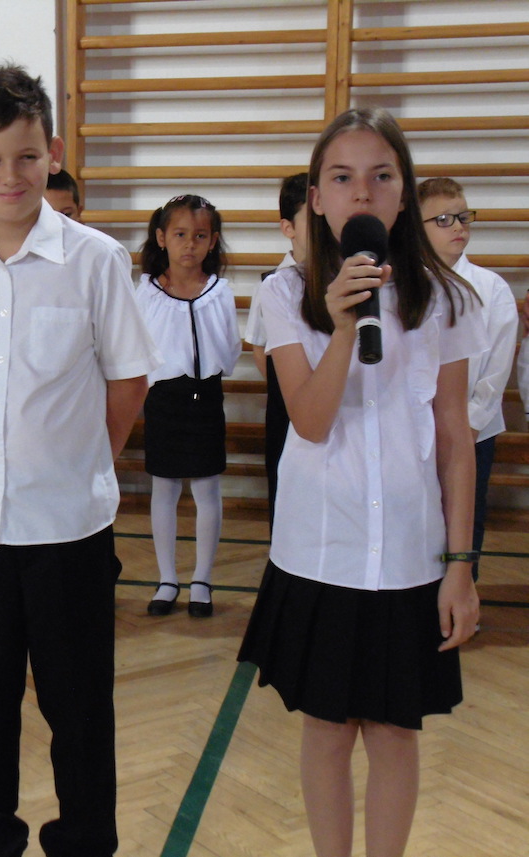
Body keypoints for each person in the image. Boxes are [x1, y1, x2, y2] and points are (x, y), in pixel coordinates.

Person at [0, 63, 154, 857]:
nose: (8, 176)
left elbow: (128, 379)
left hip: (67, 527)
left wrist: (78, 461)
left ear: (53, 154)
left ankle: (84, 837)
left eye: (25, 156)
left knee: (77, 701)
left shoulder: (95, 260)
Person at [237, 107, 482, 857]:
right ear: (316, 197)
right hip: (321, 551)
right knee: (327, 727)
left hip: (411, 553)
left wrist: (461, 564)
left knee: (394, 730)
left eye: (381, 176)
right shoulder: (284, 295)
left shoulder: (444, 298)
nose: (363, 192)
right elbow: (310, 420)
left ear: (403, 193)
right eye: (342, 178)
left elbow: (454, 437)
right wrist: (345, 325)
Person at [136, 194, 241, 618]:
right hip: (163, 397)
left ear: (212, 241)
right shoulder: (146, 292)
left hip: (206, 395)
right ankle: (167, 578)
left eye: (200, 236)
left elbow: (229, 349)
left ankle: (202, 579)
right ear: (162, 238)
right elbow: (137, 347)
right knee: (164, 487)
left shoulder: (220, 292)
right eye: (180, 234)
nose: (189, 244)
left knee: (207, 487)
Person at [418, 177, 518, 582]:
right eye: (443, 219)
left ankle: (461, 591)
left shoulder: (491, 289)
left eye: (463, 217)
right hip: (416, 429)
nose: (458, 226)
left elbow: (495, 371)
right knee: (419, 518)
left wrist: (468, 425)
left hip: (474, 430)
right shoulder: (406, 287)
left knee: (465, 516)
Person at [244, 172, 308, 529]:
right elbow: (259, 346)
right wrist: (288, 386)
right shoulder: (271, 284)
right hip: (286, 399)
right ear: (288, 228)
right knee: (283, 482)